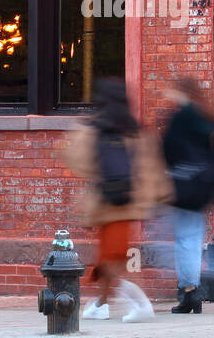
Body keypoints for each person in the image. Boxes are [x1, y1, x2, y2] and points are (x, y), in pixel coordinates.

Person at [61, 77, 170, 323]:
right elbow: (151, 167)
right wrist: (157, 197)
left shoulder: (96, 129)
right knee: (109, 257)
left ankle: (140, 303)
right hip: (127, 203)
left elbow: (76, 160)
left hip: (108, 204)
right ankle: (101, 304)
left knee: (112, 259)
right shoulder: (134, 130)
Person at [162, 77, 214, 314]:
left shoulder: (182, 117)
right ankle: (192, 292)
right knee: (191, 239)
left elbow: (168, 149)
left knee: (183, 241)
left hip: (184, 185)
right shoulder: (205, 116)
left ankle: (189, 291)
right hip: (201, 185)